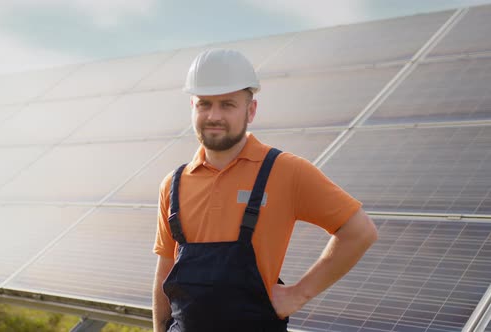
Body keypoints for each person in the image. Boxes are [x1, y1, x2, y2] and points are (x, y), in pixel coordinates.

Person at [152, 48, 378, 332]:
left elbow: (360, 231)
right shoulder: (173, 185)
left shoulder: (286, 171)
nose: (214, 115)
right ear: (192, 108)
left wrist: (299, 294)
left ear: (251, 110)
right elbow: (165, 273)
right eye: (204, 104)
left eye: (228, 104)